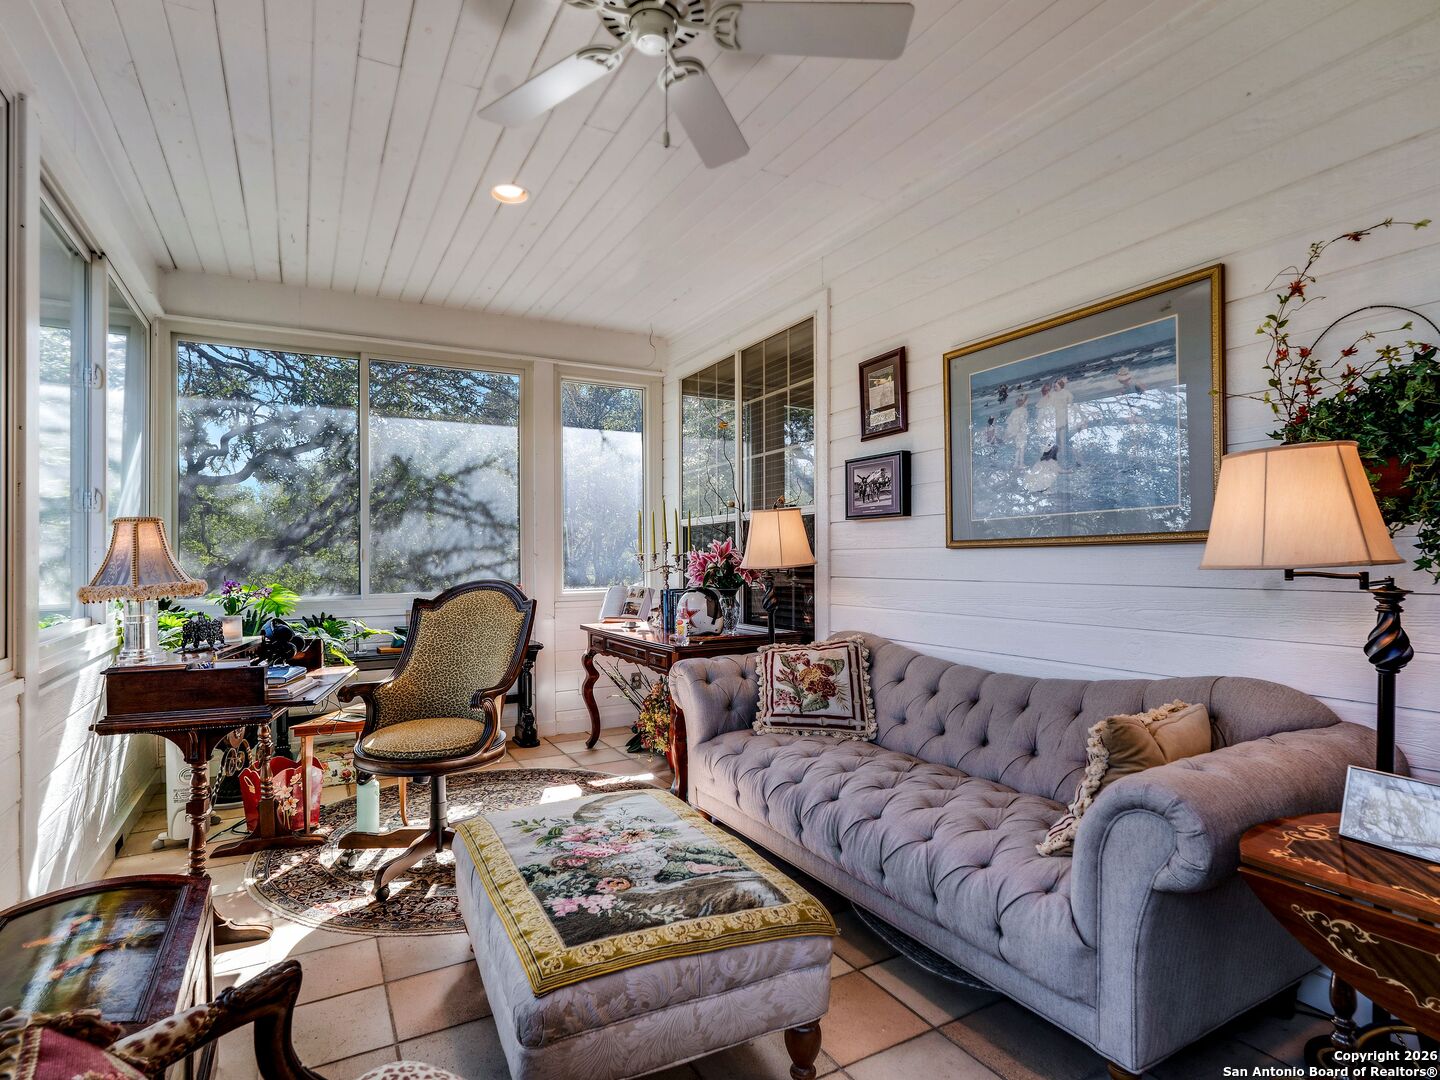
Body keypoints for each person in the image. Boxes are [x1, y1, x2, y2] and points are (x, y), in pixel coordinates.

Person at [1005, 393, 1030, 469]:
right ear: (1023, 403)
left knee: (1018, 448)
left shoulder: (1014, 411)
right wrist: (1021, 429)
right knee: (1022, 448)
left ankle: (1016, 464)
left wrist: (1013, 429)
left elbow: (1008, 421)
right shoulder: (1024, 410)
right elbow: (1022, 421)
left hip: (1016, 432)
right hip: (1021, 431)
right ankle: (1021, 464)